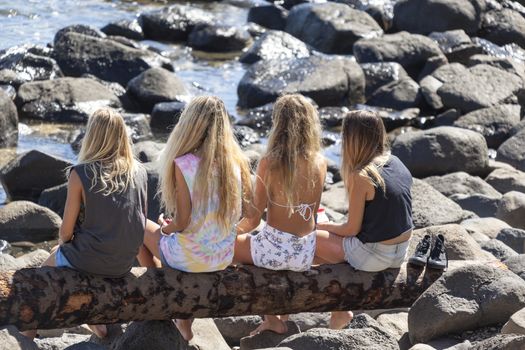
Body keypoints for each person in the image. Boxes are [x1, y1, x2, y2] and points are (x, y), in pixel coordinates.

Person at [23, 108, 148, 339]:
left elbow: (66, 231)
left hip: (92, 258)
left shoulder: (80, 173)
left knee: (38, 281)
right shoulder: (139, 172)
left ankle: (26, 337)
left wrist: (63, 244)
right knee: (72, 255)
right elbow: (137, 222)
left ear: (92, 136)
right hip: (124, 263)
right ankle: (96, 320)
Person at [137, 96, 252, 341]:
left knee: (138, 226)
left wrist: (166, 229)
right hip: (221, 256)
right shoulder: (235, 163)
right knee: (185, 238)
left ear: (190, 125)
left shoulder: (185, 163)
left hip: (188, 258)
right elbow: (241, 215)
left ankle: (159, 296)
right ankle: (185, 322)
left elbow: (183, 222)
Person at [234, 94, 327, 335]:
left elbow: (253, 220)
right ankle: (282, 315)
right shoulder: (321, 161)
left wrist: (227, 235)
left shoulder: (270, 162)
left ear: (279, 125)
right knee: (280, 245)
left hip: (273, 252)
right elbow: (313, 214)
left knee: (227, 247)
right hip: (305, 253)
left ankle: (271, 317)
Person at [315, 110, 413, 329]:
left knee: (312, 240)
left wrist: (322, 225)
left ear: (353, 139)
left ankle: (336, 310)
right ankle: (338, 312)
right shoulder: (397, 162)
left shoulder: (363, 175)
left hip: (375, 256)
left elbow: (351, 229)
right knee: (327, 241)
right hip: (400, 252)